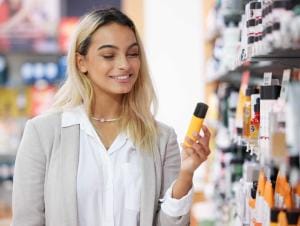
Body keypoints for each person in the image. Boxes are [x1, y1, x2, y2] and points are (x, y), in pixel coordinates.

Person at [11, 7, 211, 226]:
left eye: (133, 54)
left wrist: (185, 175)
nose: (124, 64)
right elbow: (27, 220)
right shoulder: (43, 133)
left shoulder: (161, 139)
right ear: (81, 62)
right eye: (109, 55)